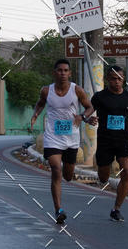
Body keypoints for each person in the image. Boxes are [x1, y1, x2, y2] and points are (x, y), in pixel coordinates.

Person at [30, 58, 93, 225]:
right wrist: (35, 115)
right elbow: (40, 104)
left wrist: (82, 116)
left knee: (68, 175)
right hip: (52, 137)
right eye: (60, 70)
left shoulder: (76, 90)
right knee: (56, 170)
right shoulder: (46, 90)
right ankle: (58, 209)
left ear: (70, 73)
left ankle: (67, 170)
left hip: (71, 138)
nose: (63, 73)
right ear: (54, 72)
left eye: (66, 71)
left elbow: (89, 107)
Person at [84, 65, 128, 222]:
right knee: (104, 177)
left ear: (123, 79)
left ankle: (116, 209)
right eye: (113, 78)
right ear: (108, 80)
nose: (116, 82)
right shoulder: (100, 97)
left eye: (119, 78)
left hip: (124, 140)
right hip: (105, 140)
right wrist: (87, 119)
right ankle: (103, 177)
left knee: (127, 170)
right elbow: (88, 111)